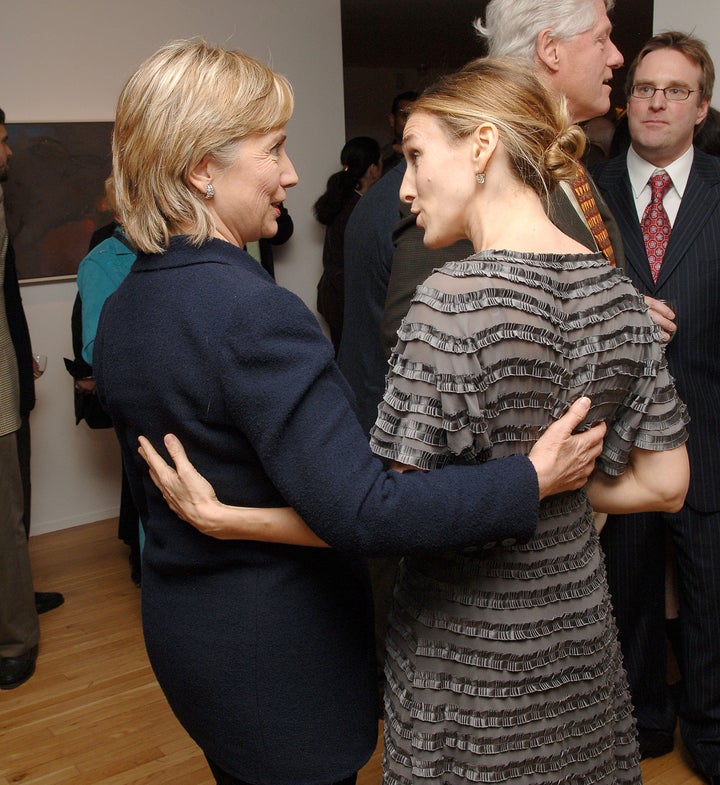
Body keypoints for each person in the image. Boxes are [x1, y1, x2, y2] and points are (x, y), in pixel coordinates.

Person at [139, 58, 691, 785]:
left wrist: (233, 518)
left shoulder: (449, 303)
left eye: (417, 156)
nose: (402, 186)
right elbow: (667, 483)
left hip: (466, 648)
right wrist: (544, 485)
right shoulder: (621, 294)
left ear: (483, 147)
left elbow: (386, 513)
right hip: (580, 633)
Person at [380, 0, 678, 357]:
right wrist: (608, 327)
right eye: (602, 39)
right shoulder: (470, 163)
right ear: (551, 50)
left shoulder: (564, 158)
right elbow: (413, 336)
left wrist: (615, 311)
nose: (616, 57)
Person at [592, 32, 720, 784]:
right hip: (618, 442)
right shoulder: (583, 192)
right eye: (645, 87)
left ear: (701, 108)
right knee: (626, 598)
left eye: (676, 90)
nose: (656, 101)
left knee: (711, 601)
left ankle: (711, 735)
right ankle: (642, 723)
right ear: (625, 97)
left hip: (710, 433)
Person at [0, 110, 63, 691]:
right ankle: (14, 629)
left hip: (5, 383)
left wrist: (21, 366)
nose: (10, 151)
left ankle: (15, 614)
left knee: (11, 513)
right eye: (1, 141)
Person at [74, 174, 141, 585]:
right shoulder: (101, 262)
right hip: (141, 400)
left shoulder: (172, 251)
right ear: (118, 210)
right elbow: (95, 347)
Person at [314, 136, 382, 353]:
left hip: (333, 296)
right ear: (373, 169)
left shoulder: (344, 200)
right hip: (346, 299)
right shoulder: (360, 208)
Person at [381, 91, 418, 172]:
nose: (411, 121)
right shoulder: (380, 160)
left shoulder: (434, 157)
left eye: (417, 116)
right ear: (392, 120)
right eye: (405, 116)